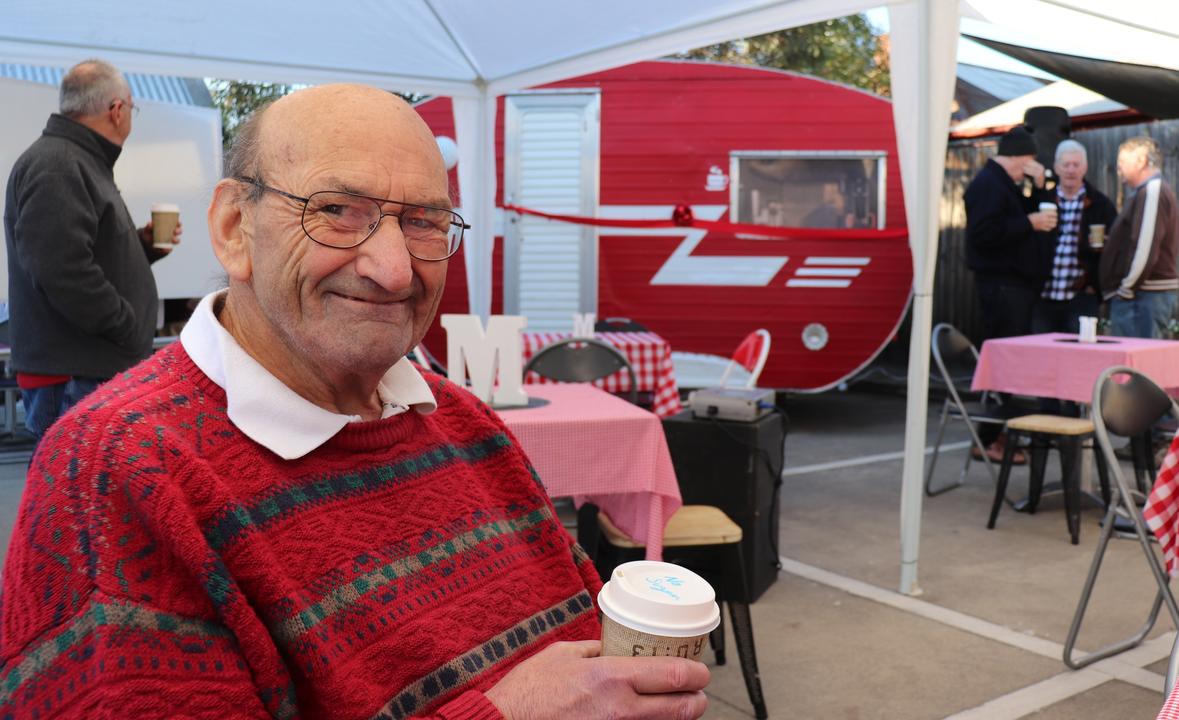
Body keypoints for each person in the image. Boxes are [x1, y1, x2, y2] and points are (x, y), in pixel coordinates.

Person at [0, 84, 709, 719]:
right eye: (337, 211)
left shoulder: (465, 423)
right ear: (232, 229)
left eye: (426, 221)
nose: (394, 268)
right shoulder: (116, 470)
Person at [3, 59, 180, 441]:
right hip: (75, 374)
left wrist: (141, 248)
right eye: (132, 107)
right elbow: (61, 269)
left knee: (88, 493)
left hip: (83, 369)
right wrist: (125, 324)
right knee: (73, 494)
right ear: (116, 111)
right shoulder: (59, 165)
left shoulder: (76, 161)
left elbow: (77, 253)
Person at [963, 125, 1057, 461]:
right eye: (1028, 161)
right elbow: (983, 234)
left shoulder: (1006, 185)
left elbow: (1020, 211)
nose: (1029, 169)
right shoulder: (988, 185)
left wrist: (1041, 187)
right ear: (1017, 157)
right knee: (1004, 363)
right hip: (1001, 286)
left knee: (1012, 362)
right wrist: (1028, 224)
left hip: (1015, 285)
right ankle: (989, 438)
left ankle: (1002, 434)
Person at [1031, 140, 1118, 334]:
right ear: (1056, 167)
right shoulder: (1042, 201)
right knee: (1040, 353)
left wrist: (1097, 287)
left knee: (1079, 355)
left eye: (1076, 165)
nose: (1071, 170)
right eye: (1066, 164)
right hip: (1043, 295)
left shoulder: (1100, 204)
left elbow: (1117, 247)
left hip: (1082, 296)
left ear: (1085, 167)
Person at [1100, 136, 1179, 338]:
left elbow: (1145, 245)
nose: (1119, 171)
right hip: (1141, 295)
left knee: (1136, 366)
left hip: (1143, 297)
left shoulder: (1153, 190)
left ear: (1141, 161)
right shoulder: (1146, 192)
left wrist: (1126, 288)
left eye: (1122, 164)